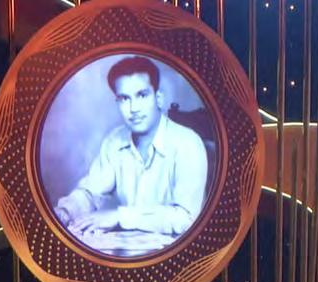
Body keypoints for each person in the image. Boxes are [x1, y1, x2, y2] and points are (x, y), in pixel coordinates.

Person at [55, 56, 208, 240]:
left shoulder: (188, 144)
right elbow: (90, 193)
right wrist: (65, 211)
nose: (134, 108)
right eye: (124, 98)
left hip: (180, 251)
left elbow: (186, 218)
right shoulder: (114, 141)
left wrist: (120, 217)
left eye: (142, 95)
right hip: (128, 248)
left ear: (158, 98)